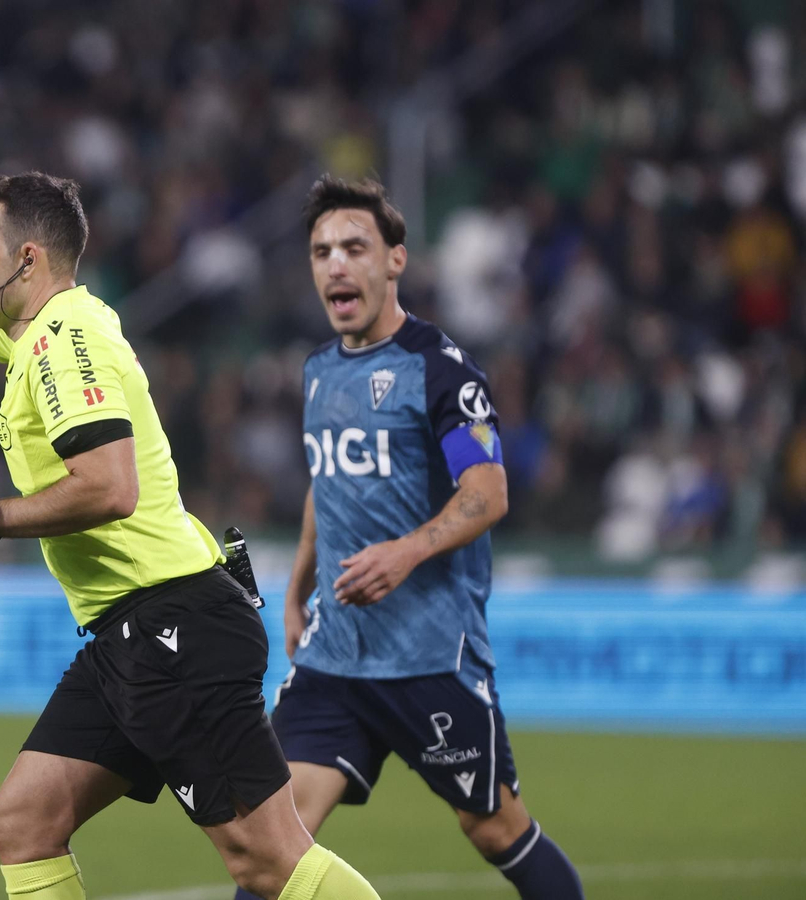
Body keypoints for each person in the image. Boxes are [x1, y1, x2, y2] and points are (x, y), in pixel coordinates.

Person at [0, 109, 377, 900]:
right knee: (23, 822)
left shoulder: (65, 338)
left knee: (267, 859)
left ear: (28, 259)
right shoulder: (32, 335)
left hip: (175, 622)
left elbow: (110, 486)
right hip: (131, 630)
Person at [237, 175, 585, 900]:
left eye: (355, 247)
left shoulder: (440, 371)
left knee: (494, 829)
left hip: (430, 656)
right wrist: (298, 590)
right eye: (321, 250)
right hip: (336, 656)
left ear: (395, 260)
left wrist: (407, 551)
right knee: (273, 842)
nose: (336, 264)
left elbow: (487, 495)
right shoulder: (317, 372)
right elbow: (326, 486)